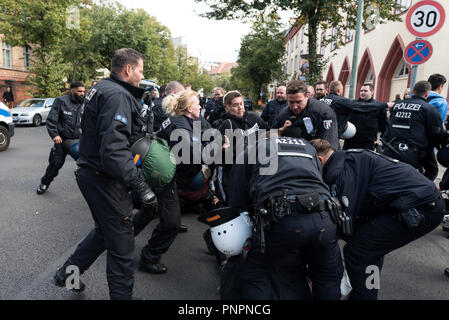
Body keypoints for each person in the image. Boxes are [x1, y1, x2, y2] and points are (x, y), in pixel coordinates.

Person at [53, 48, 157, 300]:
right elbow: (113, 150)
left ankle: (67, 275)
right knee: (122, 243)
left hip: (93, 173)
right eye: (140, 70)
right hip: (104, 177)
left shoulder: (103, 87)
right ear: (128, 69)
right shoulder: (117, 95)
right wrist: (140, 184)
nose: (142, 76)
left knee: (103, 233)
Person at [310, 139, 445, 300]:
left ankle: (365, 296)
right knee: (370, 250)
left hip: (419, 208)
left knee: (359, 252)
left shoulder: (340, 171)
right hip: (419, 202)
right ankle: (368, 292)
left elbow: (347, 217)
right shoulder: (349, 157)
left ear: (319, 160)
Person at [228, 136, 343, 300]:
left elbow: (237, 201)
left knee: (255, 271)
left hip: (283, 217)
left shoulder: (249, 152)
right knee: (327, 276)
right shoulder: (306, 146)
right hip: (325, 216)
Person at [382, 80, 446, 172]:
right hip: (413, 153)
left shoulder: (397, 106)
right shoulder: (430, 109)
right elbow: (436, 133)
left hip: (390, 149)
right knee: (431, 171)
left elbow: (389, 125)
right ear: (427, 94)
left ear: (412, 92)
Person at [36, 81, 86, 195]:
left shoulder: (85, 103)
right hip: (62, 141)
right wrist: (55, 135)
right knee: (55, 164)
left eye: (83, 91)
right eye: (79, 91)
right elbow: (51, 120)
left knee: (86, 163)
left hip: (78, 141)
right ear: (71, 90)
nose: (82, 94)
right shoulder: (61, 101)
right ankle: (44, 183)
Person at [272, 79, 339, 150]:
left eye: (298, 102)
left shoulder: (323, 112)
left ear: (307, 96)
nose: (295, 107)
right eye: (291, 102)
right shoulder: (284, 113)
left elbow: (329, 149)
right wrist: (281, 131)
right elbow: (268, 137)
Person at [342, 83, 389, 150]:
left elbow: (384, 126)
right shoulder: (352, 104)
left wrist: (385, 141)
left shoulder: (379, 107)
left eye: (365, 91)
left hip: (367, 144)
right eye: (361, 91)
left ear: (372, 92)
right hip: (350, 142)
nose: (362, 93)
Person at [419, 74, 448, 181]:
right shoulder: (441, 102)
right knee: (432, 171)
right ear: (440, 86)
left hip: (412, 140)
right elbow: (437, 127)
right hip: (427, 144)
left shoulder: (419, 98)